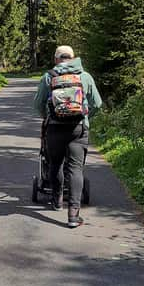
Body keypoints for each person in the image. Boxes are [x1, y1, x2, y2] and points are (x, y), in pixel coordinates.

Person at [33, 46, 102, 228]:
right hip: (78, 128)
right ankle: (73, 215)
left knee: (55, 163)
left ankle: (56, 201)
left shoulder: (49, 77)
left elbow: (38, 103)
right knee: (75, 168)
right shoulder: (84, 76)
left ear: (56, 59)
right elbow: (97, 103)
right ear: (73, 58)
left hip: (54, 128)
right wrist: (86, 116)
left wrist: (47, 117)